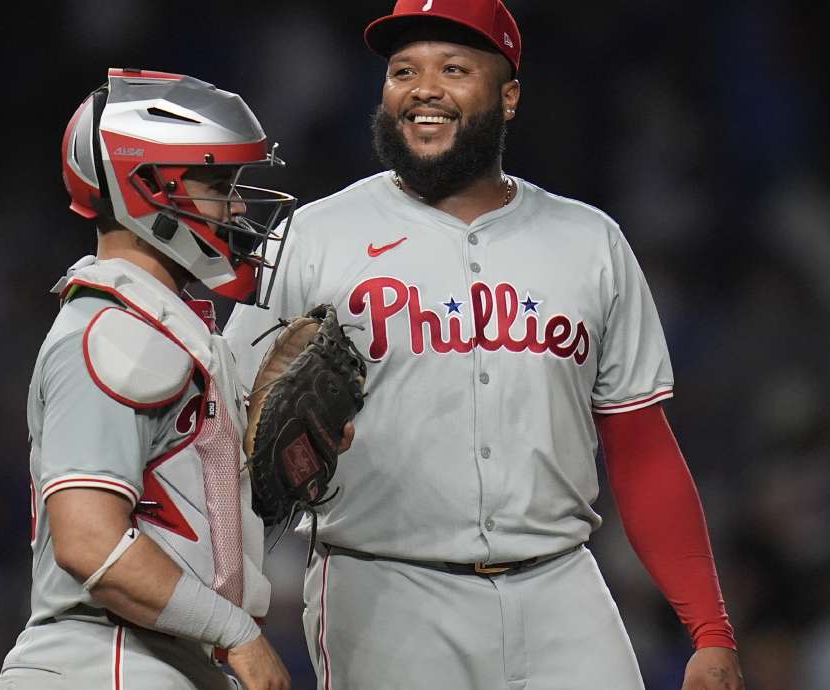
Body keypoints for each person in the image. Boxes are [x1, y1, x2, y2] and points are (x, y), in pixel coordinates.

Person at [222, 2, 744, 689]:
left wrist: (709, 629)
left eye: (454, 68)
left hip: (562, 586)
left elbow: (641, 447)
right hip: (382, 589)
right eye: (403, 70)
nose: (423, 87)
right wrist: (233, 618)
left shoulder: (590, 243)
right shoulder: (312, 238)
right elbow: (226, 430)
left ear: (509, 97)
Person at [0, 68, 304, 690]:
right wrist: (237, 631)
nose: (239, 205)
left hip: (147, 658)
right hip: (105, 658)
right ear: (148, 187)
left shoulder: (154, 326)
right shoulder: (111, 332)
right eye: (218, 182)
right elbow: (89, 544)